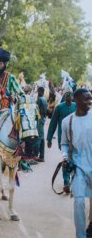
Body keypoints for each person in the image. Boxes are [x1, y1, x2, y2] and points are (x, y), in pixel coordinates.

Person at [61, 88, 92, 238]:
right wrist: (65, 157)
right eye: (86, 99)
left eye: (91, 98)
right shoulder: (67, 122)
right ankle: (81, 235)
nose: (90, 102)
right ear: (76, 100)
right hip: (79, 168)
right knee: (79, 202)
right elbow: (65, 144)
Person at [47, 91, 76, 193]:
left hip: (75, 139)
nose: (69, 98)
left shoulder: (76, 106)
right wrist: (49, 138)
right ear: (64, 97)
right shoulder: (59, 107)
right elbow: (53, 123)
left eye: (71, 96)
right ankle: (66, 183)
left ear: (73, 97)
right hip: (63, 140)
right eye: (67, 96)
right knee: (66, 160)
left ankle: (73, 182)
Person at [36, 86, 48, 162]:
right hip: (42, 119)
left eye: (38, 91)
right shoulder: (44, 99)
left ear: (40, 91)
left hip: (39, 119)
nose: (37, 93)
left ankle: (38, 155)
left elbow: (36, 110)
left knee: (39, 138)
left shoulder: (40, 99)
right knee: (41, 137)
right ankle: (41, 156)